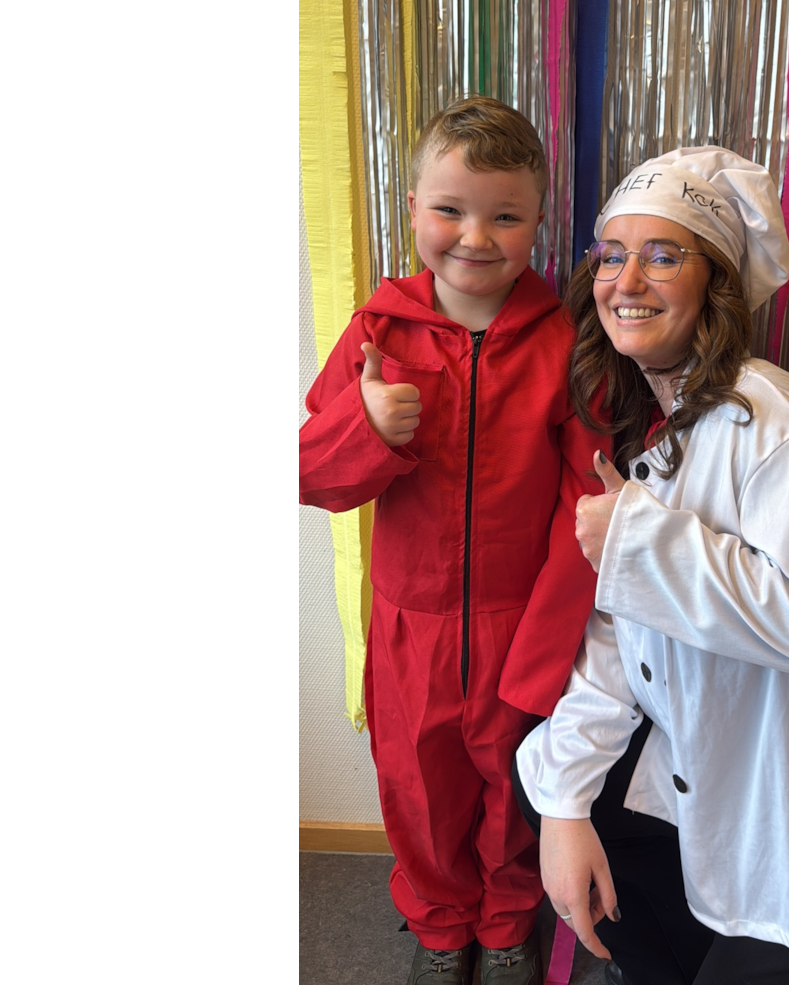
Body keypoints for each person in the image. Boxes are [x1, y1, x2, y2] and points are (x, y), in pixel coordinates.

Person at [511, 147, 789, 985]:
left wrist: (645, 548)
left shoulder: (776, 427)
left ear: (715, 286)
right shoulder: (661, 428)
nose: (627, 280)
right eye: (612, 255)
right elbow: (620, 634)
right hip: (754, 788)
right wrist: (562, 806)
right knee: (552, 785)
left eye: (663, 256)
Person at [299, 95, 610, 985]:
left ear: (538, 221)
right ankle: (439, 926)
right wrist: (365, 428)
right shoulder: (379, 334)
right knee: (418, 786)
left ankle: (507, 924)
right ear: (412, 210)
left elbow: (588, 497)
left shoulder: (567, 344)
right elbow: (315, 477)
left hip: (522, 619)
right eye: (450, 209)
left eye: (504, 216)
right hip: (413, 627)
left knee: (514, 787)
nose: (475, 237)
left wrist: (551, 635)